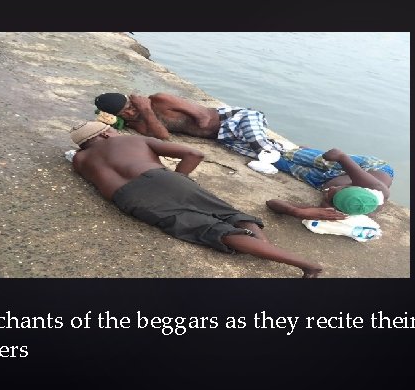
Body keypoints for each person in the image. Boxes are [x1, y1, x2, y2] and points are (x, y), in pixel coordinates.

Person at [68, 121, 323, 278]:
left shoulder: (80, 160)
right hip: (163, 178)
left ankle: (291, 260)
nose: (113, 131)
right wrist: (182, 179)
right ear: (102, 135)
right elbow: (194, 153)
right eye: (109, 130)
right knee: (226, 212)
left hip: (131, 198)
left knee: (207, 229)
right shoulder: (132, 139)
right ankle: (272, 250)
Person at [93, 92, 283, 159]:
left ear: (133, 99)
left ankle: (267, 149)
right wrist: (145, 111)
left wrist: (148, 108)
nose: (130, 112)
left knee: (262, 148)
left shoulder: (161, 100)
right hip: (222, 136)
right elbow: (163, 136)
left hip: (234, 117)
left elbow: (203, 119)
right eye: (123, 114)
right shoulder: (139, 123)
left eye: (130, 106)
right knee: (268, 154)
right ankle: (282, 150)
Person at [266, 147, 394, 220]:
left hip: (322, 181)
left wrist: (296, 212)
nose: (331, 189)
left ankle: (282, 155)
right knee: (297, 155)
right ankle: (301, 150)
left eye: (331, 194)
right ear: (354, 185)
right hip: (364, 168)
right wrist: (338, 157)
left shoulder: (342, 212)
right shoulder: (375, 187)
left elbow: (272, 203)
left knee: (276, 160)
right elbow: (339, 155)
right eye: (339, 188)